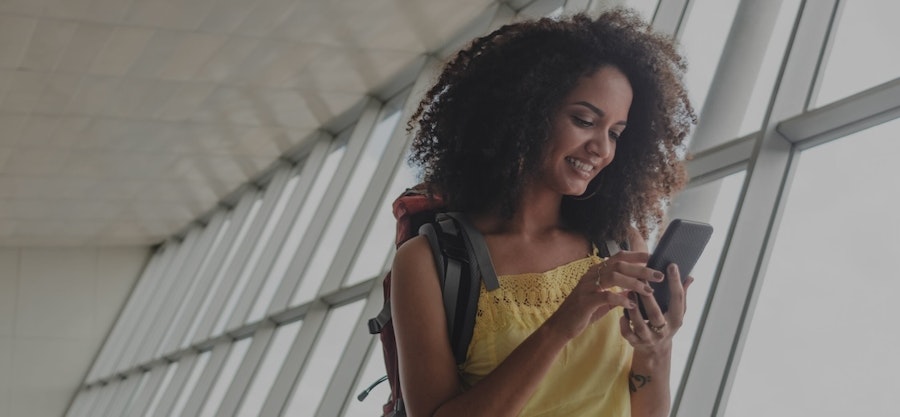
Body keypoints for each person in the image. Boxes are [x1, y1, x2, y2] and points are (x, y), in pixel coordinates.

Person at [390, 8, 697, 417]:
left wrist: (656, 348)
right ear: (525, 112)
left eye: (616, 134)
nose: (602, 149)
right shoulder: (431, 262)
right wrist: (561, 325)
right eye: (584, 120)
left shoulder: (618, 243)